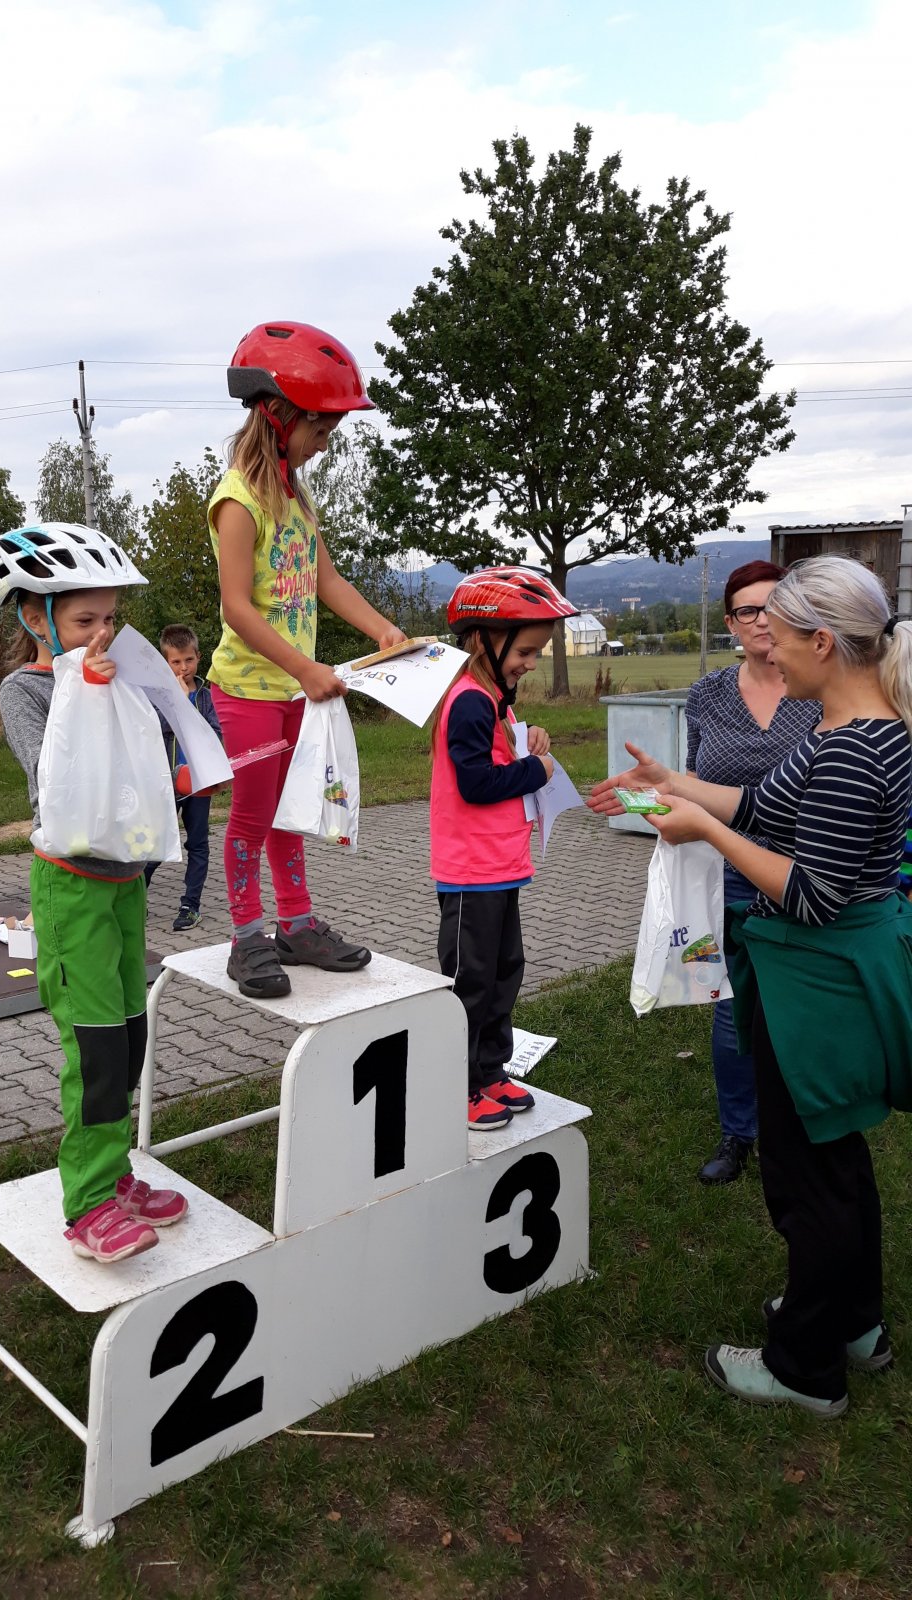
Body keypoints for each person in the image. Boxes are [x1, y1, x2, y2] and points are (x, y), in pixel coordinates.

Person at [591, 555, 912, 1417]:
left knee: (807, 1174)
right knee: (837, 1155)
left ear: (823, 642)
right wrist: (674, 786)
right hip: (834, 974)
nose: (765, 639)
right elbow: (764, 805)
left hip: (821, 983)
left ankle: (804, 1366)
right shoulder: (850, 727)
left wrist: (702, 829)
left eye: (780, 627)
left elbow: (811, 893)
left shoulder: (852, 751)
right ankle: (855, 1323)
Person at [0, 522, 190, 1264]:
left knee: (130, 1035)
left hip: (124, 882)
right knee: (94, 1046)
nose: (102, 635)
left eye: (110, 618)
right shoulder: (26, 690)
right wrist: (88, 691)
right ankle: (86, 1205)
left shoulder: (118, 679)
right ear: (35, 617)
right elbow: (55, 776)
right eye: (84, 621)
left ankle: (115, 1174)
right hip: (71, 887)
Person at [209, 320, 407, 999]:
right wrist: (303, 668)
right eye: (320, 429)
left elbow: (327, 581)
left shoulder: (295, 495)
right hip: (249, 693)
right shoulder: (238, 501)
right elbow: (237, 607)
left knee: (291, 812)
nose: (325, 444)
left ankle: (295, 925)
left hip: (295, 692)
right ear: (277, 414)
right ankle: (246, 936)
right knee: (252, 817)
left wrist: (382, 630)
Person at [683, 562, 821, 1186]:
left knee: (805, 999)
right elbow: (693, 778)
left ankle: (811, 1121)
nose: (762, 620)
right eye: (748, 610)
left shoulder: (820, 686)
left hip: (810, 871)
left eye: (774, 606)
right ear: (731, 623)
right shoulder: (708, 695)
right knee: (732, 1004)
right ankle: (739, 1132)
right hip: (730, 870)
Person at [431, 568, 573, 1129]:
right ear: (486, 642)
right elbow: (475, 783)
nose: (531, 663)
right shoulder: (469, 701)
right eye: (526, 652)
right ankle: (458, 1086)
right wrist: (537, 771)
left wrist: (528, 740)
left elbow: (498, 755)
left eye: (537, 653)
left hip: (500, 868)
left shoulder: (495, 701)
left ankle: (490, 1070)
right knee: (469, 983)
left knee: (503, 972)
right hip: (471, 873)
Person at [144, 623, 222, 931]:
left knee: (198, 845)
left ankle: (191, 905)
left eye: (189, 660)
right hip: (164, 783)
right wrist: (176, 700)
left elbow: (215, 733)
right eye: (175, 662)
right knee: (154, 845)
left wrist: (189, 703)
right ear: (165, 663)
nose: (183, 667)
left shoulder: (206, 696)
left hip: (198, 784)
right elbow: (153, 729)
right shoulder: (156, 696)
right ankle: (135, 898)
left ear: (198, 657)